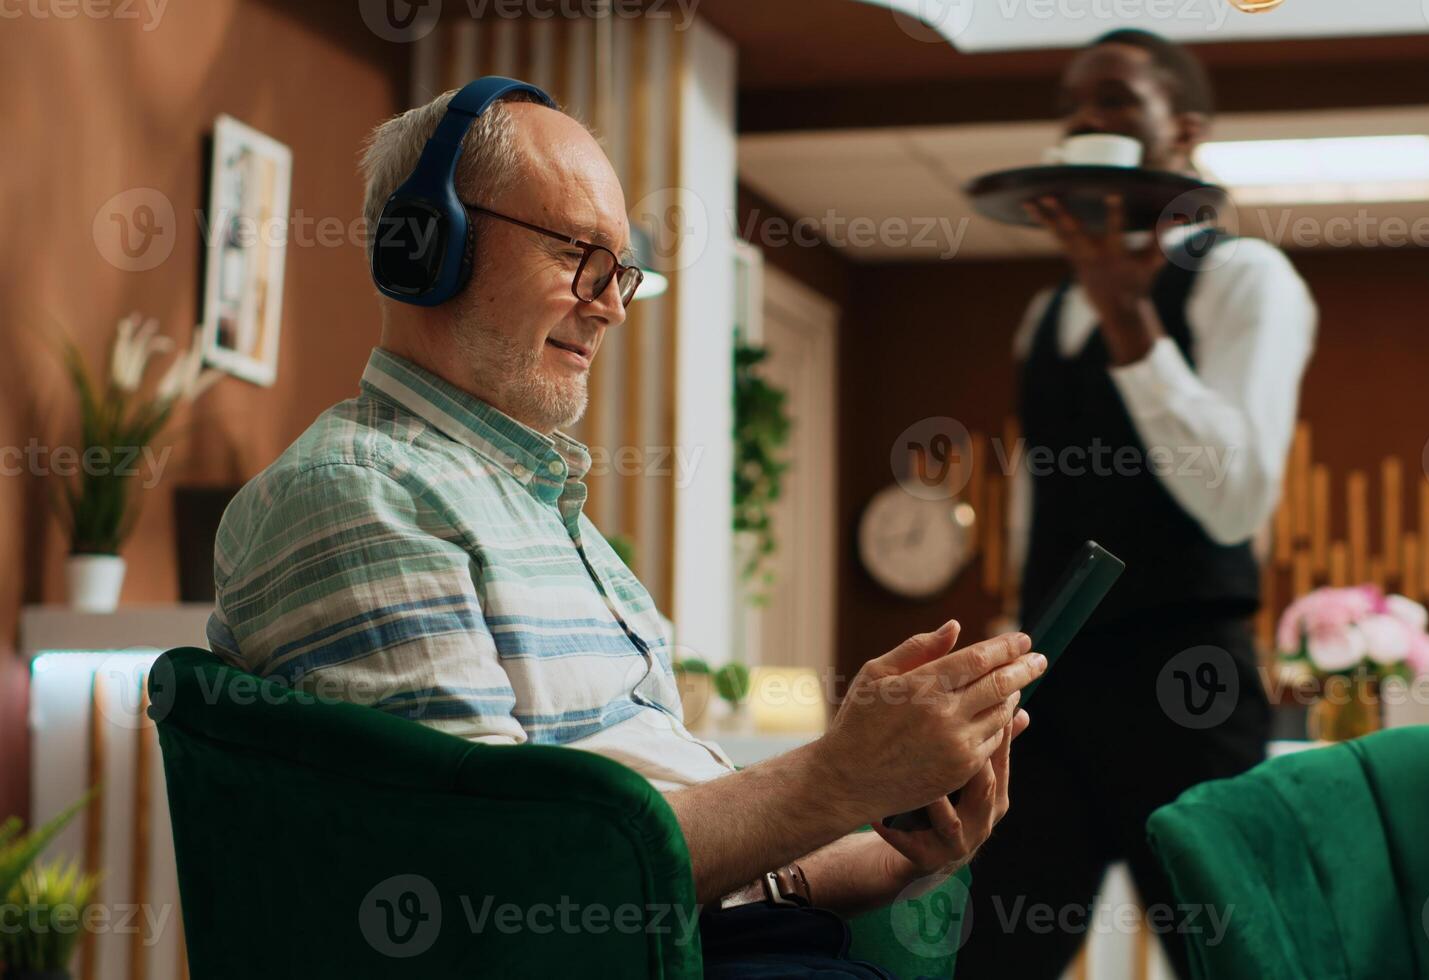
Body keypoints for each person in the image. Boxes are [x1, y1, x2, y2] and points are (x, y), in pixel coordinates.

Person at [207, 80, 1046, 978]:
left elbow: (688, 857)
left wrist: (909, 840)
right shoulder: (360, 494)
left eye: (621, 271)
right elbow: (495, 883)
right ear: (427, 246)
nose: (610, 304)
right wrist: (834, 776)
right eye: (580, 254)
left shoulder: (543, 515)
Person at [957, 30, 1316, 977]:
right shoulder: (1045, 315)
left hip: (1187, 678)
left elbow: (1235, 503)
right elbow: (1041, 501)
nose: (1084, 120)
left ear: (1183, 131)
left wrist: (1130, 314)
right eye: (1072, 105)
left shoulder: (1248, 280)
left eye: (1115, 102)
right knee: (994, 951)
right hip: (1053, 682)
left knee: (1227, 952)